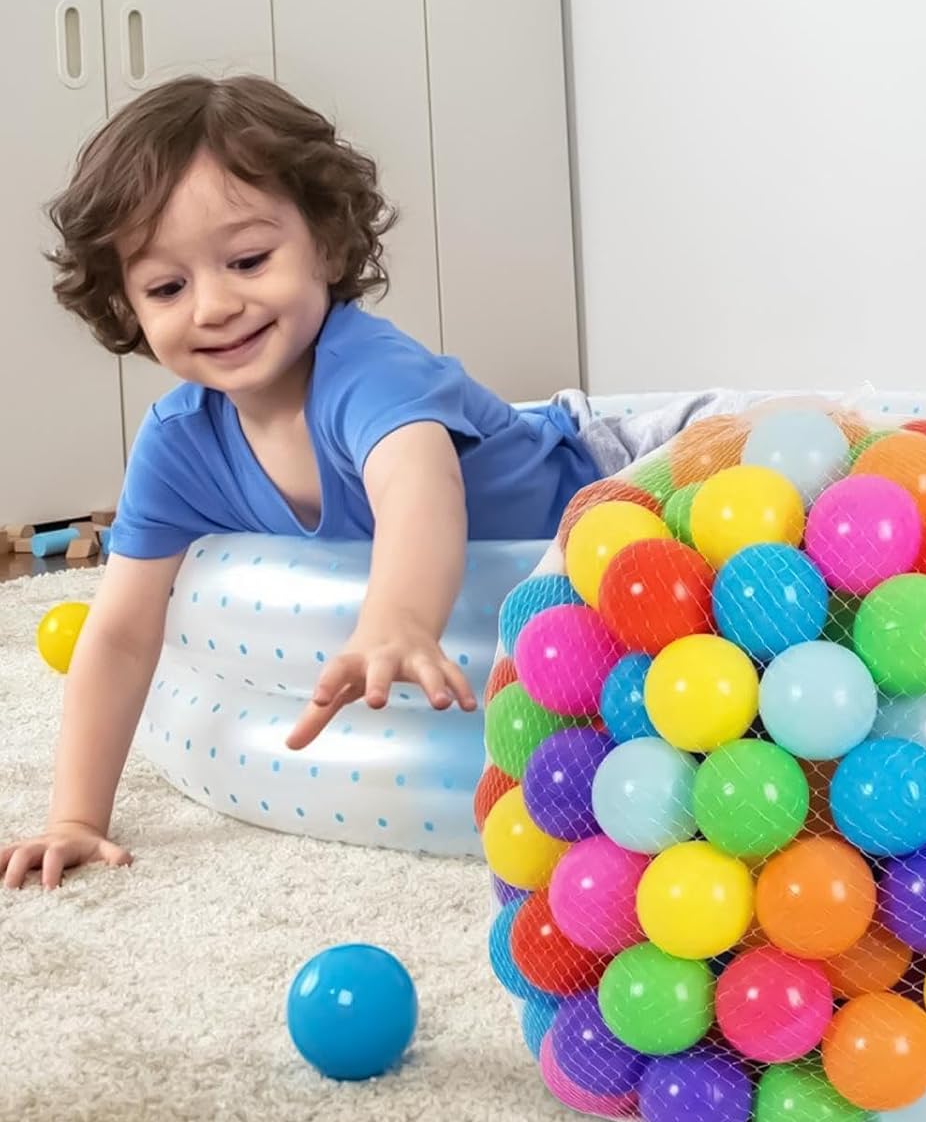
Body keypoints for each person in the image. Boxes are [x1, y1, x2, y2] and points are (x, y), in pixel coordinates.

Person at [0, 75, 742, 889]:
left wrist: (397, 620)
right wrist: (74, 818)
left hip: (611, 471)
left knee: (785, 451)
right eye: (167, 288)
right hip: (563, 546)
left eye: (248, 260)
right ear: (126, 307)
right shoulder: (179, 444)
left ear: (324, 244)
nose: (212, 305)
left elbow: (419, 488)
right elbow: (120, 633)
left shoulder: (365, 370)